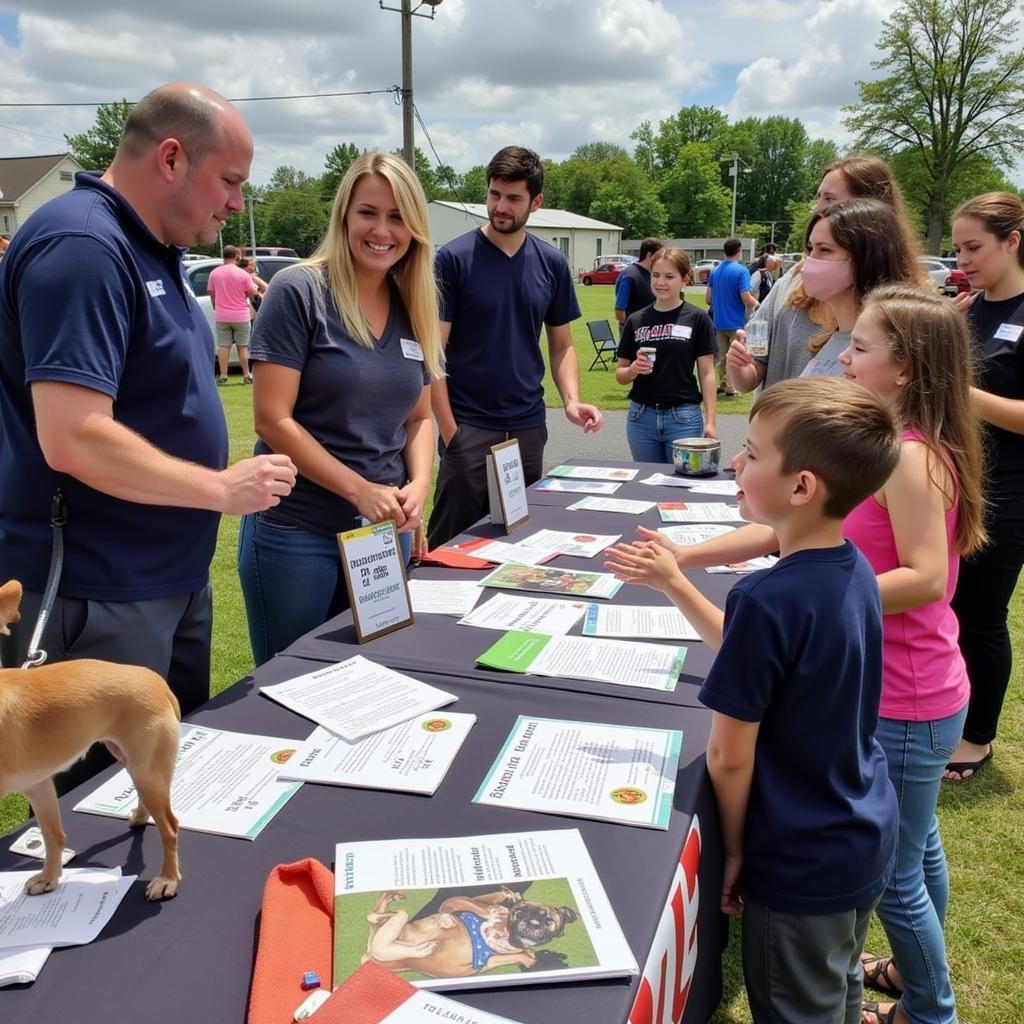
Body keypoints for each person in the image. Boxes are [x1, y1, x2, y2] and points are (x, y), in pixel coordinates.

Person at [0, 83, 297, 790]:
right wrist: (219, 489)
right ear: (171, 158)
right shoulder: (84, 244)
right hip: (100, 586)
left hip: (162, 577)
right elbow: (73, 436)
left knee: (167, 789)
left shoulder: (150, 246)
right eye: (229, 181)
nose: (235, 203)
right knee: (105, 813)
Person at [605, 377, 901, 1024]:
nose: (735, 462)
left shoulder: (767, 600)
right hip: (860, 830)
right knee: (839, 987)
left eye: (753, 452)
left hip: (797, 858)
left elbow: (729, 758)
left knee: (801, 1008)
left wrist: (733, 848)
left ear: (801, 487)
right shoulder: (851, 572)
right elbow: (760, 663)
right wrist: (676, 584)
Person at [237, 152, 442, 667]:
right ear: (344, 215)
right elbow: (272, 419)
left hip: (379, 535)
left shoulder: (412, 302)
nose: (382, 230)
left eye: (398, 217)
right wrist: (359, 489)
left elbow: (419, 418)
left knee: (373, 674)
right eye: (369, 212)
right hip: (296, 532)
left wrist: (419, 485)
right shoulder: (299, 290)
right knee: (290, 684)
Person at [427, 145, 602, 550]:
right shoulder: (453, 259)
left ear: (536, 202)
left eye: (513, 198)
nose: (500, 206)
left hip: (526, 429)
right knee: (451, 546)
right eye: (493, 194)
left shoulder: (551, 263)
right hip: (469, 426)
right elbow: (432, 354)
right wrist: (451, 432)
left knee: (517, 543)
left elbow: (562, 346)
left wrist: (572, 401)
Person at [727, 156, 928, 393]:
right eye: (812, 249)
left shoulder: (895, 324)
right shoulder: (797, 284)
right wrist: (739, 365)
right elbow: (755, 364)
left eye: (831, 199)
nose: (817, 208)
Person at [944, 192, 1024, 780]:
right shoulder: (968, 310)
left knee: (981, 614)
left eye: (974, 247)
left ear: (1012, 241)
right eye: (957, 247)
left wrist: (956, 388)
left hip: (1010, 492)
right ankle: (948, 714)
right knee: (943, 606)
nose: (961, 259)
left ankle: (977, 737)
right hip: (954, 481)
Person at [614, 246, 717, 462]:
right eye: (656, 275)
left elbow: (707, 373)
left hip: (683, 417)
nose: (661, 282)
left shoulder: (698, 318)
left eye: (669, 276)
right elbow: (620, 375)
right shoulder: (635, 320)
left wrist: (711, 421)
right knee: (647, 487)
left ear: (685, 279)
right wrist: (633, 370)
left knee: (681, 486)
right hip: (641, 417)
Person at [705, 237, 756, 395]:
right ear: (739, 251)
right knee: (736, 356)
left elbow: (708, 299)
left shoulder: (716, 271)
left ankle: (723, 383)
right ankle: (731, 386)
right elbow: (746, 297)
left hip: (719, 321)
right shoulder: (741, 271)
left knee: (722, 356)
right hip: (736, 322)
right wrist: (759, 304)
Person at [208, 244, 257, 383]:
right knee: (243, 346)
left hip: (222, 315)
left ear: (223, 256)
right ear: (236, 256)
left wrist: (215, 306)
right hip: (241, 315)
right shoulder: (243, 274)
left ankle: (223, 375)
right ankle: (246, 374)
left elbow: (211, 293)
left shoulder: (214, 273)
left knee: (223, 345)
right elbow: (252, 293)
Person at [614, 237, 663, 328]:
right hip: (635, 331)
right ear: (649, 255)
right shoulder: (629, 276)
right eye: (659, 256)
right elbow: (620, 309)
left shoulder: (652, 274)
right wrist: (628, 328)